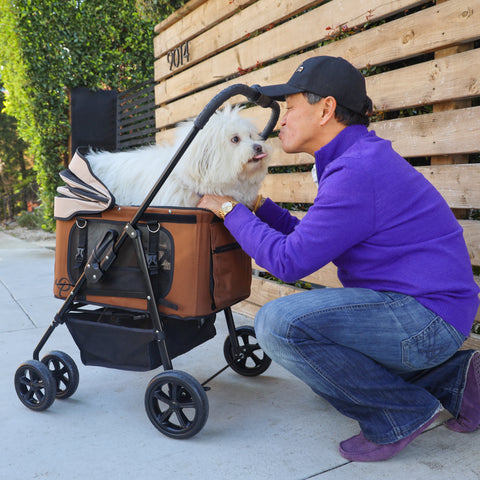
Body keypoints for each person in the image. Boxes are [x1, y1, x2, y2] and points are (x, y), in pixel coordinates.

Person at [197, 56, 480, 462]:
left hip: (425, 319)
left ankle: (399, 412)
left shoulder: (357, 171)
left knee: (277, 324)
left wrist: (229, 211)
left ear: (326, 109)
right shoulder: (356, 160)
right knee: (326, 373)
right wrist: (256, 204)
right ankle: (457, 379)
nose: (281, 122)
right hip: (429, 312)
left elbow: (288, 262)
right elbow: (306, 240)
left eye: (291, 108)